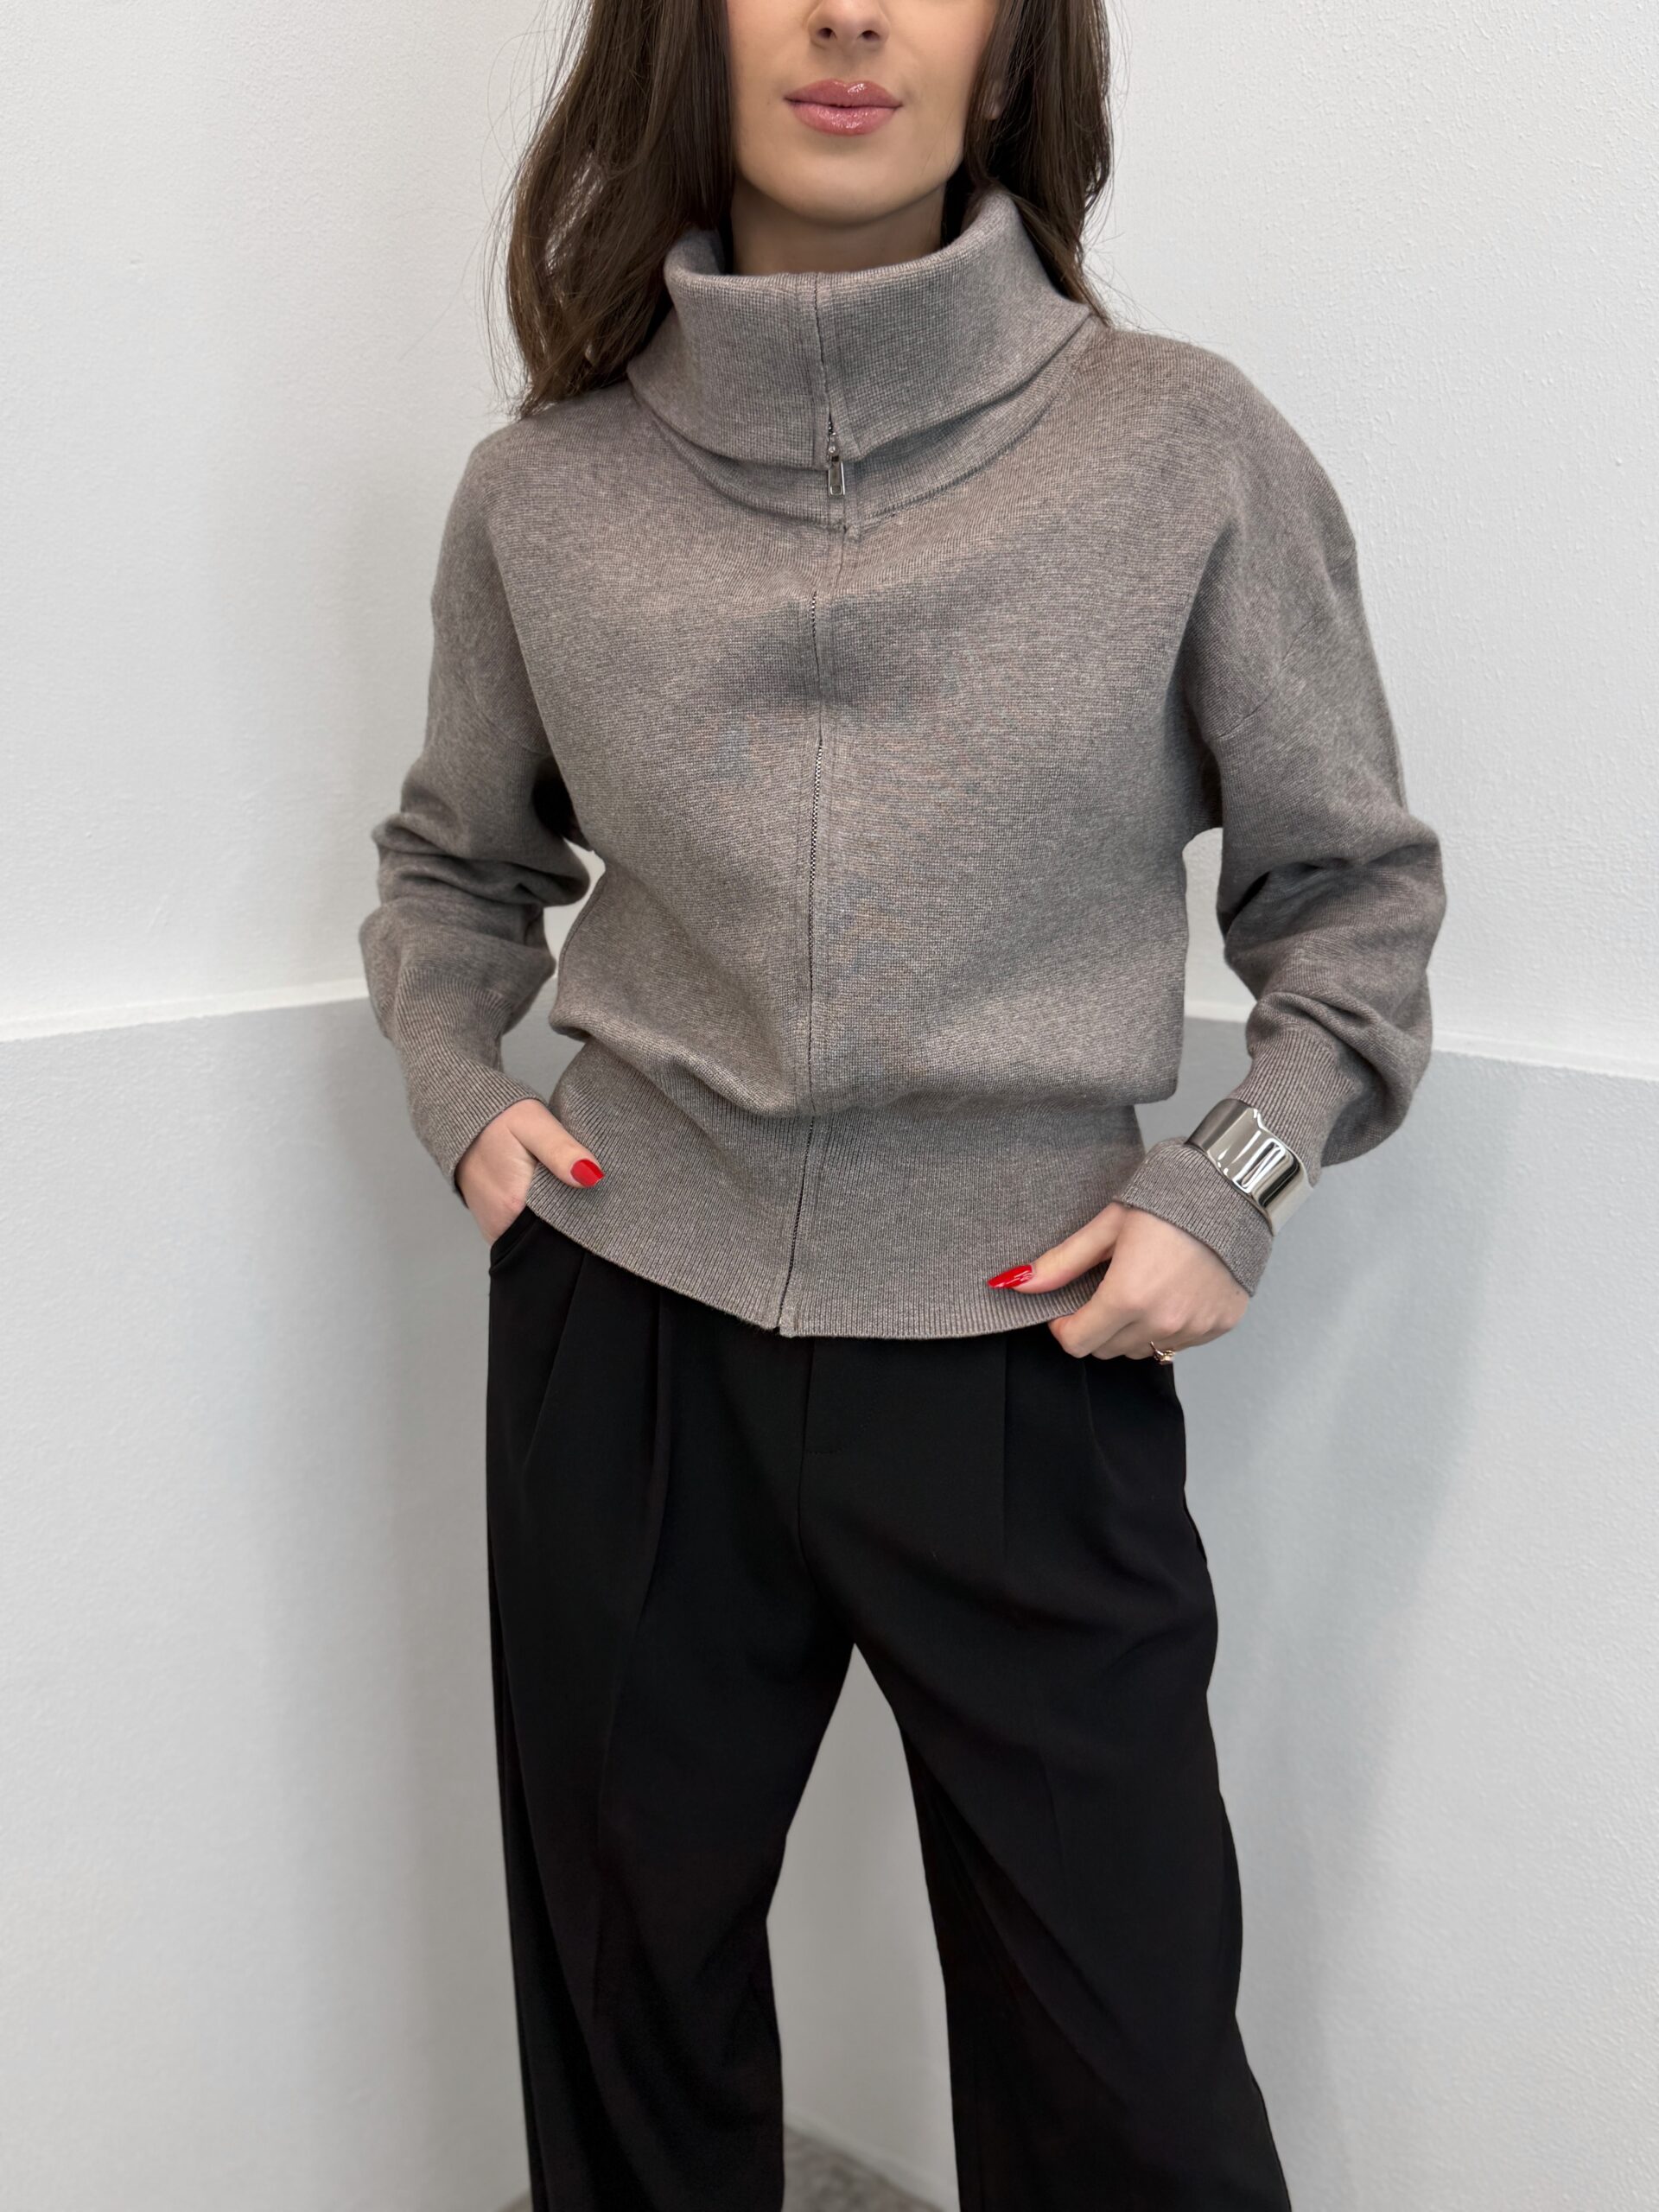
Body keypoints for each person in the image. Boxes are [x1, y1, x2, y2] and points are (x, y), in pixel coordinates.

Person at [358, 2, 1447, 2205]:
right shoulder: (542, 494)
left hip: (1026, 1347)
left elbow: (1355, 905)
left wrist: (1229, 1180)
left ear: (1016, 50)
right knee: (627, 2036)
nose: (852, 12)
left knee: (1132, 2091)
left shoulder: (1186, 452)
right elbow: (454, 867)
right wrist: (462, 1086)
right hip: (625, 1340)